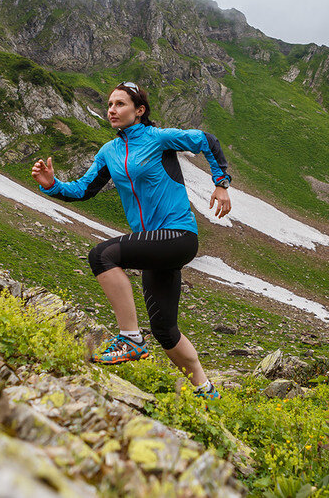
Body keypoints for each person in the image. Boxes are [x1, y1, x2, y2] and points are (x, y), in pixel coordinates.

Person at [31, 82, 232, 399]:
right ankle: (207, 392)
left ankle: (130, 340)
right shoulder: (109, 153)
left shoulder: (159, 139)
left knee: (102, 256)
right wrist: (52, 184)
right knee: (165, 331)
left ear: (139, 111)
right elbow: (85, 190)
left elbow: (206, 140)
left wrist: (221, 183)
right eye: (110, 104)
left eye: (120, 104)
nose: (112, 109)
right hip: (154, 243)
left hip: (179, 236)